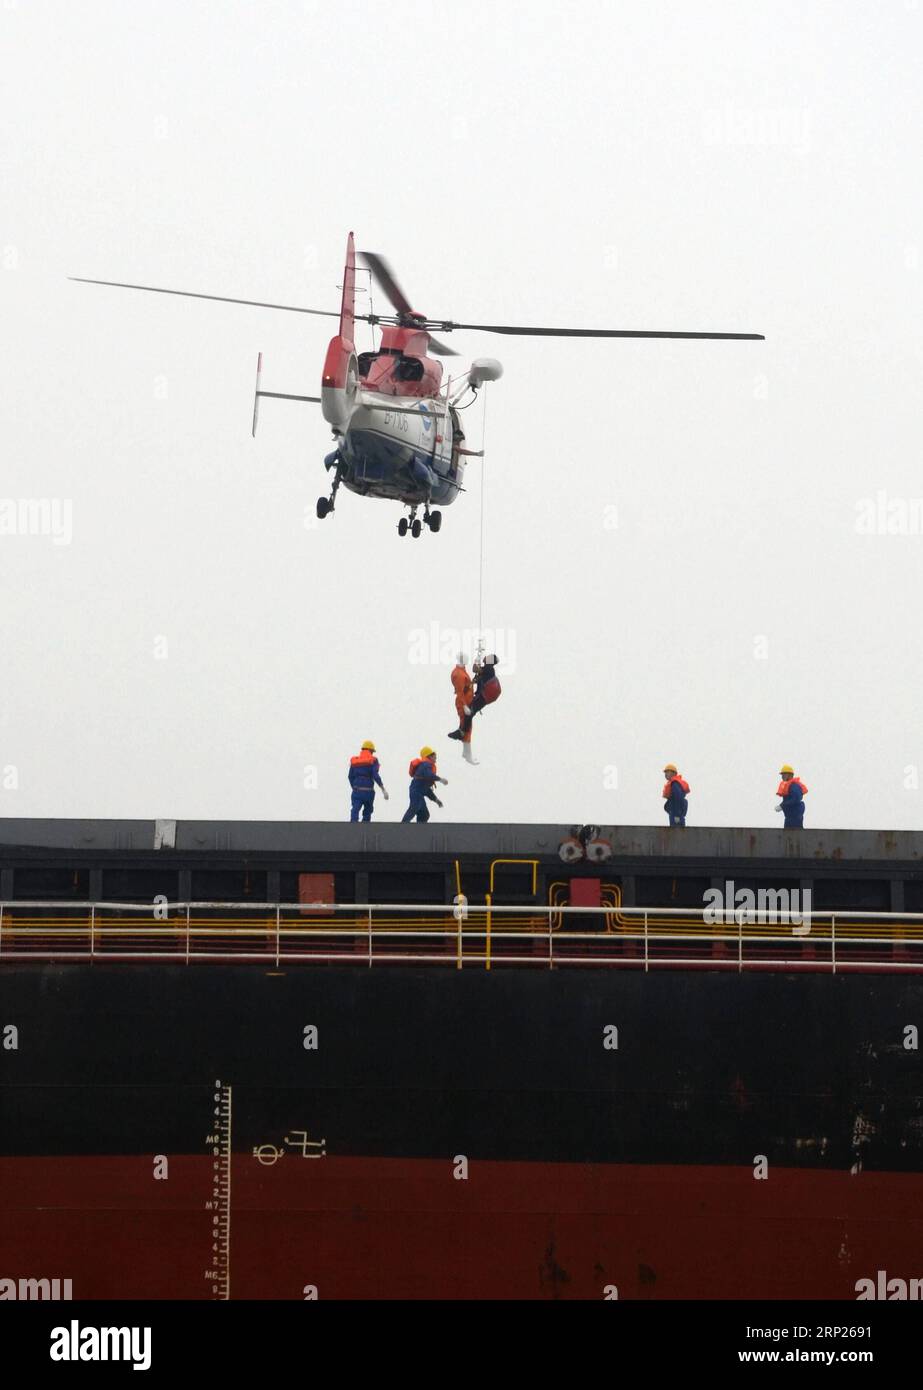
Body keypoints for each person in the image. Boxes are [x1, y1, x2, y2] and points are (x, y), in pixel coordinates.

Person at [401, 746, 448, 823]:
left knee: (424, 814)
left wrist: (436, 800)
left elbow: (426, 790)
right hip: (416, 792)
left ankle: (419, 830)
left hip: (418, 792)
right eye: (434, 755)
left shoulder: (426, 766)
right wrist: (440, 779)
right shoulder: (425, 764)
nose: (436, 757)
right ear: (429, 756)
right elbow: (429, 775)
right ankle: (402, 827)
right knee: (414, 808)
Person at [447, 653, 479, 765]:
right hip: (463, 703)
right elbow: (460, 692)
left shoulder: (462, 671)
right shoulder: (458, 674)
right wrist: (464, 706)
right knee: (467, 727)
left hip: (468, 701)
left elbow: (466, 685)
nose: (467, 659)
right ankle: (467, 754)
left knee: (467, 727)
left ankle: (466, 752)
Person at [347, 740, 388, 822]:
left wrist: (354, 787)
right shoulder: (373, 760)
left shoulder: (355, 761)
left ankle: (353, 828)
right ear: (371, 751)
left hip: (357, 791)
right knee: (367, 812)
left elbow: (350, 776)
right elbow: (375, 776)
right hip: (368, 792)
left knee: (355, 809)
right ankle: (365, 830)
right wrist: (383, 789)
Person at [466, 654, 502, 723]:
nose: (486, 657)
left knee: (470, 710)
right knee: (471, 709)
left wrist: (476, 661)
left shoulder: (489, 668)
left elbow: (475, 669)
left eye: (488, 657)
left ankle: (463, 730)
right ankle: (463, 729)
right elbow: (476, 680)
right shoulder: (487, 669)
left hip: (483, 696)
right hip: (484, 696)